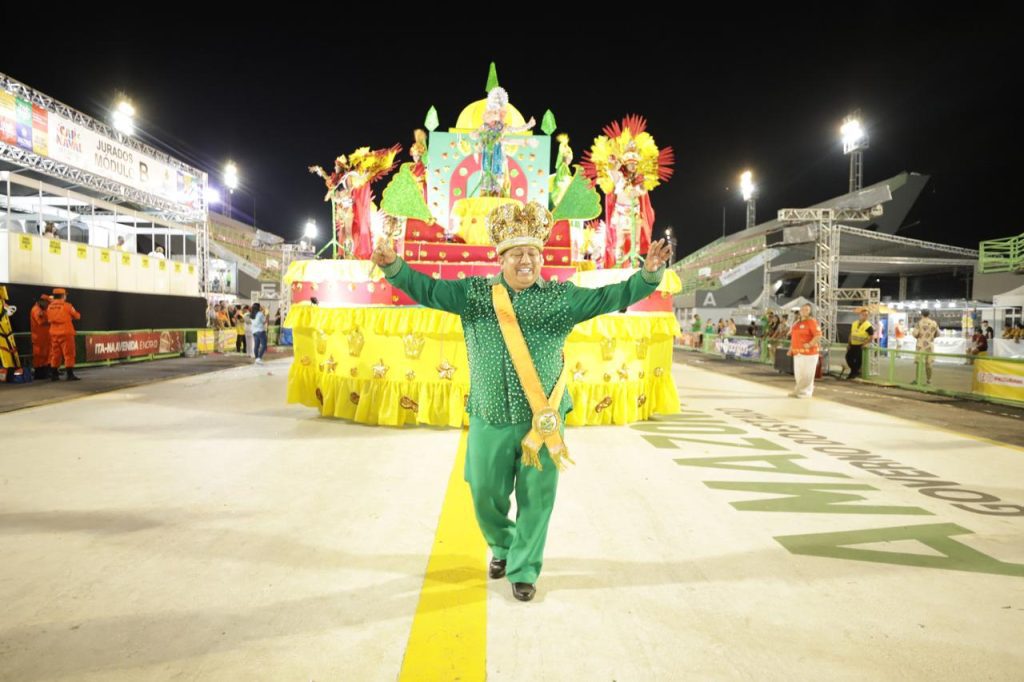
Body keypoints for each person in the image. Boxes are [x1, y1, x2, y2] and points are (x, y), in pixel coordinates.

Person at [372, 201, 669, 602]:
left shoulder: (562, 299)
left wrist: (649, 275)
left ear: (541, 258)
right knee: (483, 492)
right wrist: (394, 266)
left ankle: (524, 567)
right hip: (489, 416)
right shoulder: (475, 295)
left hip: (543, 421)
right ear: (502, 258)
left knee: (537, 497)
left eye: (532, 253)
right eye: (516, 253)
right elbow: (428, 289)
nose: (525, 260)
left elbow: (609, 296)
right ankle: (503, 544)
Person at [46, 288, 81, 381]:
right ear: (63, 296)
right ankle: (70, 375)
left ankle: (54, 375)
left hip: (53, 332)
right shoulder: (67, 306)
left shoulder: (49, 306)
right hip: (66, 332)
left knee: (55, 354)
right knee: (69, 353)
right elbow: (77, 316)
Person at [787, 303, 822, 398]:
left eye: (806, 309)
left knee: (807, 374)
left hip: (809, 353)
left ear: (810, 312)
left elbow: (818, 335)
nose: (804, 311)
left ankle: (805, 392)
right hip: (797, 352)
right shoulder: (797, 323)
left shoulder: (812, 322)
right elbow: (793, 337)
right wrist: (791, 349)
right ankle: (798, 390)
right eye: (802, 309)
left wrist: (810, 344)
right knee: (799, 374)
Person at [845, 307, 874, 380]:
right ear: (860, 315)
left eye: (866, 315)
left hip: (860, 345)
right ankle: (854, 371)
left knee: (858, 360)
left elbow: (871, 336)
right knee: (848, 357)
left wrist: (865, 343)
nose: (865, 316)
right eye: (863, 315)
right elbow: (851, 334)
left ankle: (853, 373)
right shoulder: (854, 323)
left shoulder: (868, 325)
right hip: (852, 344)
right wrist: (849, 343)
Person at [911, 310, 940, 385]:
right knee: (929, 364)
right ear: (929, 314)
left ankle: (918, 380)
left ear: (921, 314)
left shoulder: (919, 323)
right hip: (930, 345)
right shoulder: (934, 323)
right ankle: (929, 380)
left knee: (919, 363)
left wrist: (919, 336)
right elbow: (938, 334)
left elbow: (915, 333)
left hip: (921, 345)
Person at [29, 294, 51, 380]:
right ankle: (39, 374)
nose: (48, 305)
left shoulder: (43, 309)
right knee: (39, 357)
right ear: (42, 301)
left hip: (44, 337)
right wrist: (52, 320)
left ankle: (44, 373)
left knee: (45, 356)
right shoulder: (36, 310)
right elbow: (41, 322)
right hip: (38, 338)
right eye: (47, 303)